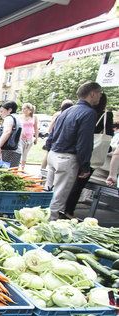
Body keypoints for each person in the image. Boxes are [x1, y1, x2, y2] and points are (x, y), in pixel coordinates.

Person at [44, 81, 102, 220]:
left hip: (53, 154)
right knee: (58, 198)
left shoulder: (67, 111)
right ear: (92, 94)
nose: (100, 97)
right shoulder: (89, 113)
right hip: (66, 158)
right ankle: (47, 226)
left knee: (48, 193)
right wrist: (85, 166)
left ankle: (40, 220)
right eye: (99, 93)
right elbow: (84, 142)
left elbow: (51, 135)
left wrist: (49, 150)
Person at [64, 93, 113, 216]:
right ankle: (68, 210)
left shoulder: (80, 111)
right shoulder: (104, 114)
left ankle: (62, 207)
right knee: (78, 184)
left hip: (74, 150)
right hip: (91, 153)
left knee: (67, 182)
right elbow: (109, 133)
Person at [41, 100, 74, 170]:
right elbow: (52, 125)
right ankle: (43, 169)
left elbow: (51, 126)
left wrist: (49, 134)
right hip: (56, 137)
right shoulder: (63, 115)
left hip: (54, 136)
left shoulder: (59, 114)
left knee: (49, 154)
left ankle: (43, 169)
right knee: (49, 154)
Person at [0, 101, 22, 168]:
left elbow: (7, 132)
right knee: (11, 173)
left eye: (2, 111)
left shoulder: (8, 118)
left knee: (1, 172)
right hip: (16, 150)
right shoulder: (18, 118)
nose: (0, 114)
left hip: (7, 150)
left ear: (9, 110)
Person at [19, 103, 38, 169]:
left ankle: (22, 168)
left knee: (25, 153)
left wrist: (36, 138)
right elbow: (18, 127)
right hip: (21, 138)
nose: (23, 110)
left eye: (24, 108)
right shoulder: (20, 117)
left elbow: (36, 128)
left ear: (30, 110)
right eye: (22, 108)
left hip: (30, 138)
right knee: (19, 152)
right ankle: (17, 167)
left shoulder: (34, 117)